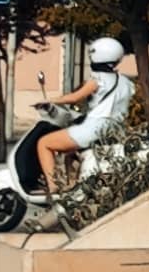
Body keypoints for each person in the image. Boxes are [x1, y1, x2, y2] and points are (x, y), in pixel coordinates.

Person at [28, 38, 134, 197]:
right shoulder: (126, 82)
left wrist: (50, 100)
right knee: (69, 151)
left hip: (94, 128)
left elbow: (75, 98)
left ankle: (53, 188)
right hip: (115, 130)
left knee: (44, 143)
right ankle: (71, 183)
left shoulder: (98, 79)